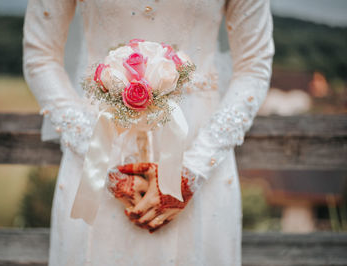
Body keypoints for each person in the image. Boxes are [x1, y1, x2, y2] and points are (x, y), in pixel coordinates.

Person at [23, 0, 274, 265]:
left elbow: (253, 67)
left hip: (201, 155)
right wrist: (100, 160)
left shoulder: (198, 167)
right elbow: (41, 57)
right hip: (96, 147)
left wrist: (193, 169)